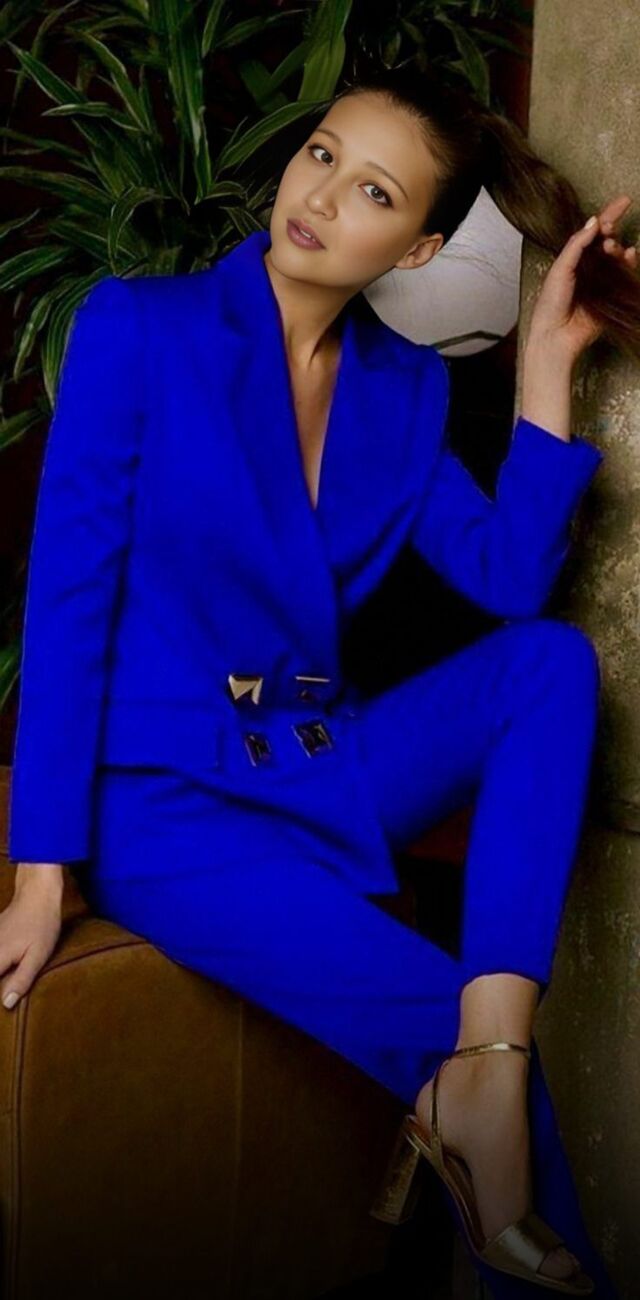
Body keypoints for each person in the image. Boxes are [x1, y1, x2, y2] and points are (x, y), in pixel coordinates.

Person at [1, 60, 638, 1298]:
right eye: (323, 155)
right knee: (459, 1045)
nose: (323, 195)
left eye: (375, 192)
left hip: (320, 764)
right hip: (168, 808)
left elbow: (509, 578)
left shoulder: (404, 392)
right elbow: (68, 602)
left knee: (548, 665)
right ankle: (490, 1094)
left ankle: (489, 1058)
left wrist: (546, 366)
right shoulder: (139, 328)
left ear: (416, 250)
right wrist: (40, 875)